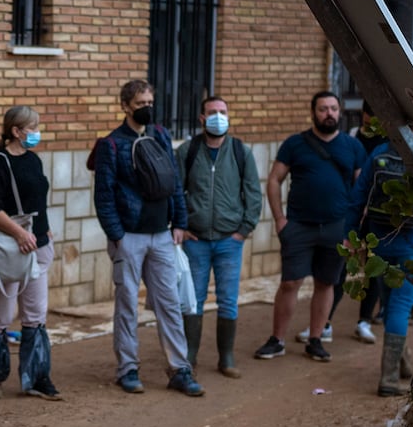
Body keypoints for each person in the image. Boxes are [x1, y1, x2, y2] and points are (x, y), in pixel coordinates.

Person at [94, 80, 204, 396]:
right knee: (127, 303)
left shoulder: (161, 135)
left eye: (150, 101)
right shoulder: (112, 144)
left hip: (162, 235)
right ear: (126, 106)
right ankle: (127, 369)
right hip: (129, 236)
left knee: (169, 303)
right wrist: (116, 234)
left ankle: (180, 369)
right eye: (141, 103)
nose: (147, 107)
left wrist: (179, 223)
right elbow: (104, 194)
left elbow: (173, 182)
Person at [255, 91, 366, 363]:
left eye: (333, 109)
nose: (329, 113)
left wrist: (355, 231)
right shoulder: (295, 144)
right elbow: (273, 180)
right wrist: (280, 220)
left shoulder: (352, 147)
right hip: (299, 226)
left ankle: (315, 339)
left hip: (336, 227)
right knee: (290, 282)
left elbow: (362, 190)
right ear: (313, 113)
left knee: (326, 283)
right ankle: (277, 339)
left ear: (340, 112)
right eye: (323, 109)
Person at [0, 106, 61, 400]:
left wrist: (44, 229)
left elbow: (38, 200)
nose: (37, 132)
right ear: (16, 131)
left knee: (36, 314)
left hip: (38, 245)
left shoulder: (34, 160)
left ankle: (37, 377)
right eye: (33, 127)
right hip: (9, 249)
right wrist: (19, 232)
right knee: (1, 315)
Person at [178, 95, 260, 377]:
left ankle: (226, 357)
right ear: (202, 118)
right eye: (212, 112)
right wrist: (180, 225)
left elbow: (253, 192)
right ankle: (189, 355)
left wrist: (244, 230)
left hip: (229, 240)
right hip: (196, 240)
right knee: (193, 299)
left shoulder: (240, 151)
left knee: (227, 298)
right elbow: (176, 192)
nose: (218, 116)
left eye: (222, 111)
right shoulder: (188, 150)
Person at [358, 128, 413, 396]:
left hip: (380, 241)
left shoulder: (381, 151)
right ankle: (389, 379)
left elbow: (358, 196)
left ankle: (402, 362)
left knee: (390, 303)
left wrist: (351, 235)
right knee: (401, 306)